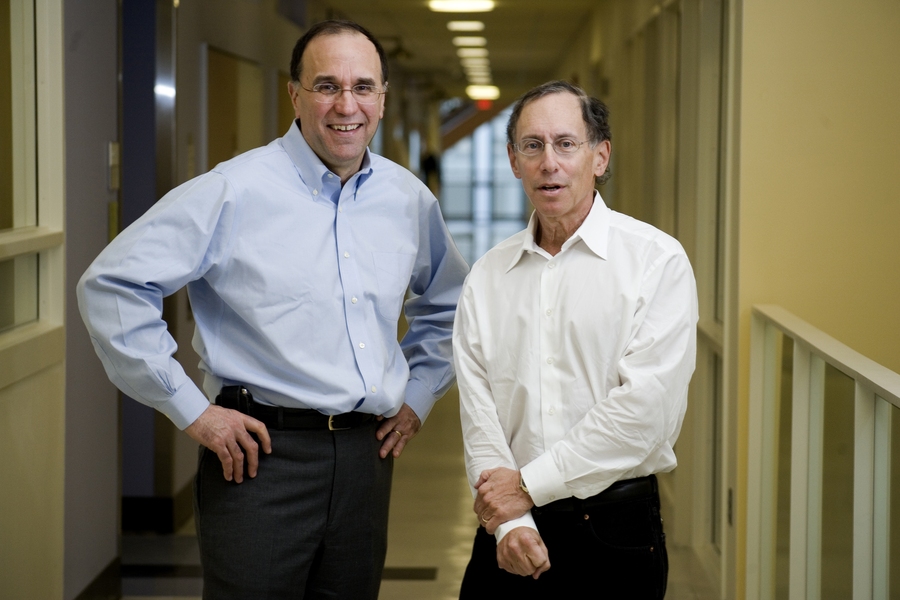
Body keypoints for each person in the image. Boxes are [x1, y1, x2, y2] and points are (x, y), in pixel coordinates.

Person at [77, 20, 467, 600]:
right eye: (326, 85)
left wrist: (418, 396)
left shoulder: (407, 198)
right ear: (295, 94)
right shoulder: (234, 190)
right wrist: (192, 410)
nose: (346, 105)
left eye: (363, 87)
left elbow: (449, 303)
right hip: (259, 460)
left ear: (383, 98)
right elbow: (112, 283)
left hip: (366, 460)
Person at [452, 80, 698, 598]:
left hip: (614, 530)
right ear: (514, 161)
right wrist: (510, 522)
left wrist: (523, 488)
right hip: (510, 531)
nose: (549, 163)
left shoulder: (656, 261)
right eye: (532, 145)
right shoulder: (488, 275)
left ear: (600, 156)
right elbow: (480, 414)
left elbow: (644, 414)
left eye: (566, 143)